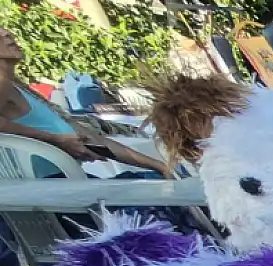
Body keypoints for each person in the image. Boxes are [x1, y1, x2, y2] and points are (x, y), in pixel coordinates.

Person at [0, 26, 171, 178]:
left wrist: (159, 166)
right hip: (49, 188)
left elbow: (95, 140)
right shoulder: (2, 82)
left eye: (4, 28)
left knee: (155, 180)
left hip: (67, 180)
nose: (7, 33)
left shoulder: (16, 85)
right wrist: (55, 139)